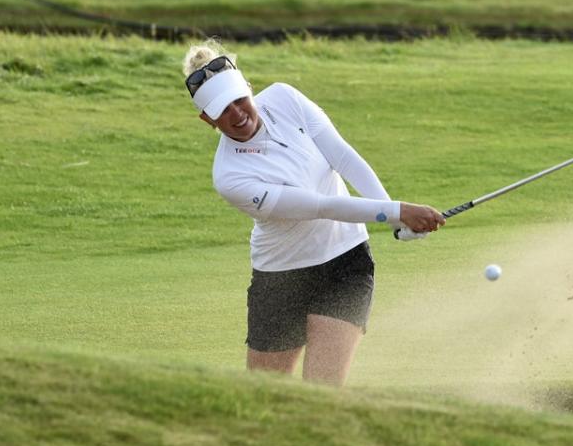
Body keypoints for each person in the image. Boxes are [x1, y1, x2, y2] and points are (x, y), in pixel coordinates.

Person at [182, 40, 444, 386]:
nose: (237, 114)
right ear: (206, 118)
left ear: (249, 88)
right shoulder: (230, 176)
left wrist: (395, 217)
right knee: (266, 397)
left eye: (239, 100)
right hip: (280, 281)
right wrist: (397, 211)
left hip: (345, 265)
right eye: (222, 110)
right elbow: (320, 207)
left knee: (322, 391)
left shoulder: (284, 98)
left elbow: (343, 157)